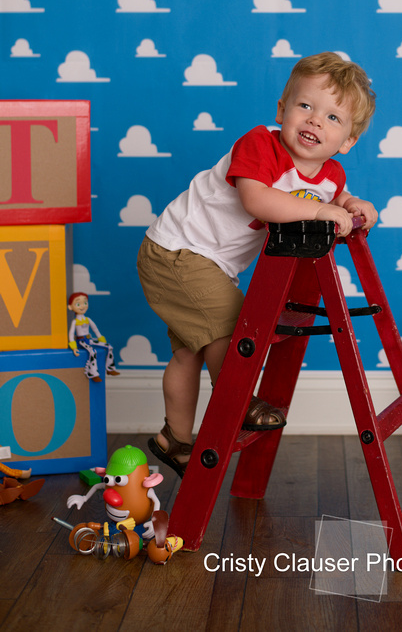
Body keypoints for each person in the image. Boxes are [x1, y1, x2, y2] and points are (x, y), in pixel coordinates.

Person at [137, 52, 378, 476]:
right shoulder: (259, 145)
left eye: (332, 118)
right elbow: (258, 199)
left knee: (189, 353)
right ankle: (238, 399)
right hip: (178, 251)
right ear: (281, 110)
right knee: (236, 325)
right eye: (305, 106)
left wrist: (350, 203)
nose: (315, 120)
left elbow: (329, 196)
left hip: (209, 263)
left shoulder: (329, 175)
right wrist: (321, 211)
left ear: (347, 141)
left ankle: (173, 437)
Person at [67, 291, 120, 381]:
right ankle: (93, 373)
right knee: (93, 352)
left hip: (89, 339)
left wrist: (101, 339)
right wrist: (74, 347)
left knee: (109, 346)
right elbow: (71, 334)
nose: (82, 306)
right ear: (70, 307)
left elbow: (95, 329)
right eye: (78, 304)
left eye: (85, 303)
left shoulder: (88, 319)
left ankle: (110, 368)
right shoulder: (75, 321)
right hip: (81, 341)